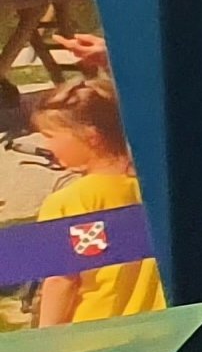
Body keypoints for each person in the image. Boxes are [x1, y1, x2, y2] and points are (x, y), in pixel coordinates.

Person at [27, 81, 158, 326]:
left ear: (92, 137)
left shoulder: (68, 203)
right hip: (160, 329)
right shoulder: (153, 190)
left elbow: (61, 281)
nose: (46, 146)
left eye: (49, 136)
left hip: (94, 334)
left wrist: (46, 336)